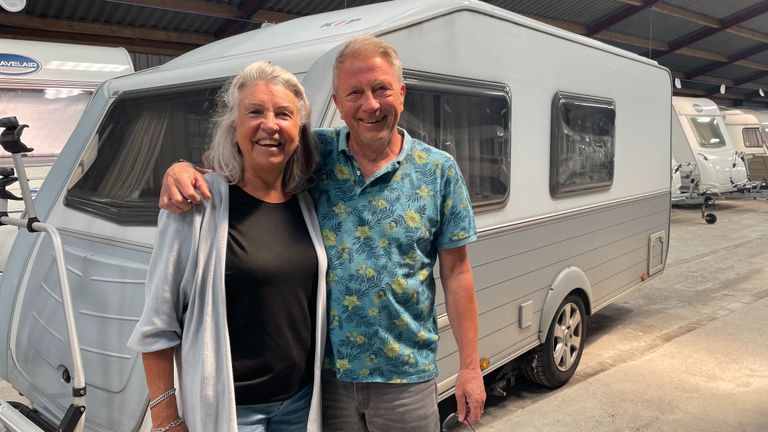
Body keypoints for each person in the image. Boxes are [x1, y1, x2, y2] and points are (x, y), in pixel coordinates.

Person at [160, 36, 486, 431]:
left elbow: (457, 273)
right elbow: (250, 154)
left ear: (401, 92)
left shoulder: (439, 171)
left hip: (406, 377)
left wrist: (470, 367)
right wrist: (180, 169)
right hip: (326, 380)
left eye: (381, 89)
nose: (370, 105)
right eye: (355, 93)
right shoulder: (317, 154)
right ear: (338, 101)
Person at [128, 61, 328, 432]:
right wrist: (164, 416)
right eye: (255, 112)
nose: (270, 125)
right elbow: (158, 321)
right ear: (234, 129)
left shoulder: (308, 203)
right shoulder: (196, 205)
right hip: (232, 410)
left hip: (301, 404)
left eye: (283, 114)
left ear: (298, 132)